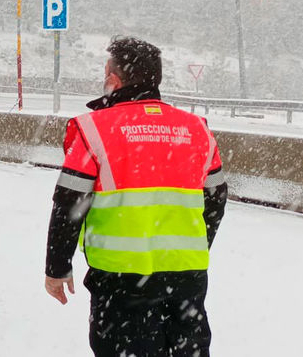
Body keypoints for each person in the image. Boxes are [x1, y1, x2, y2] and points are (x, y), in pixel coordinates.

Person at [44, 36, 228, 357]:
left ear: (114, 79)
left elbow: (69, 205)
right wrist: (192, 244)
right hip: (187, 278)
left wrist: (57, 268)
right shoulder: (197, 129)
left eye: (105, 73)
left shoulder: (94, 130)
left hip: (121, 281)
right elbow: (216, 199)